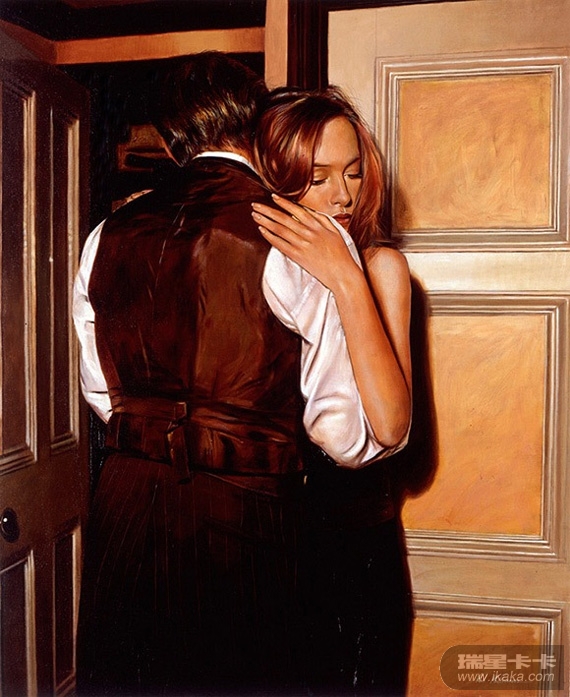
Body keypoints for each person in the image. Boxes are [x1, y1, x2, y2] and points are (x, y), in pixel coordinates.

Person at [72, 54, 404, 696]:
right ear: (259, 129)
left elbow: (102, 393)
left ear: (172, 138)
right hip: (245, 515)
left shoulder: (105, 234)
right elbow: (346, 436)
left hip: (124, 504)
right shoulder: (299, 236)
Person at [250, 87, 414, 696]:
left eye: (353, 172)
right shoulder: (248, 269)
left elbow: (393, 427)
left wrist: (346, 277)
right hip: (266, 554)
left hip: (357, 556)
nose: (343, 195)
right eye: (317, 179)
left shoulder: (381, 268)